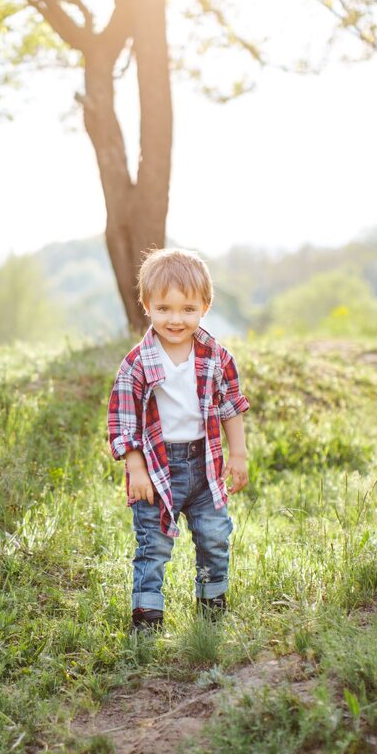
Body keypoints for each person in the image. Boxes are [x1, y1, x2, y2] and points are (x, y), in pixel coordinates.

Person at [107, 249, 251, 632]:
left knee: (215, 535)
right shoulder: (136, 363)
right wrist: (135, 469)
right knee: (153, 545)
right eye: (165, 308)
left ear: (205, 306)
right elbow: (124, 424)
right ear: (147, 306)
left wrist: (238, 454)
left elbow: (230, 408)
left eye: (188, 309)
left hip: (205, 464)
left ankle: (211, 604)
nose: (176, 319)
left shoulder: (216, 357)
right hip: (156, 468)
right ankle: (147, 617)